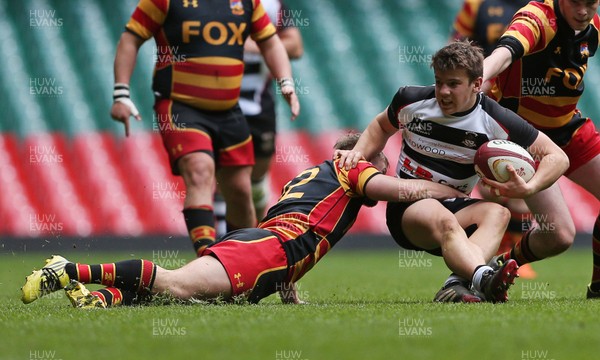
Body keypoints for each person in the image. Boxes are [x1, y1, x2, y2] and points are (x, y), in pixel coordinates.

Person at [20, 133, 516, 308]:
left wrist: (287, 286)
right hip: (269, 250)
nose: (374, 170)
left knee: (195, 301)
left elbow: (291, 222)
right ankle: (69, 270)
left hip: (269, 252)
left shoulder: (308, 175)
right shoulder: (350, 167)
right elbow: (400, 190)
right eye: (373, 163)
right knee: (178, 287)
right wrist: (450, 188)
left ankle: (103, 297)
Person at [337, 41, 569, 303]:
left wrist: (530, 187)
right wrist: (359, 151)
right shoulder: (411, 101)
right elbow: (381, 126)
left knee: (498, 213)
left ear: (476, 83)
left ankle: (457, 283)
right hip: (408, 208)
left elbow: (557, 157)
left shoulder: (495, 118)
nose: (443, 92)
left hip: (455, 206)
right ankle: (484, 278)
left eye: (453, 84)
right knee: (443, 218)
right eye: (439, 82)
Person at [110, 0, 300, 257]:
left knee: (240, 190)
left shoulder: (248, 3)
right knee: (200, 170)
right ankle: (208, 259)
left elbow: (271, 41)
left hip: (229, 109)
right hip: (180, 105)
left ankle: (242, 262)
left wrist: (286, 82)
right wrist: (121, 93)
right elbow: (131, 38)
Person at [482, 0, 600, 298]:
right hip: (526, 137)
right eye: (576, 2)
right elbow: (505, 53)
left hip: (568, 128)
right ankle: (496, 267)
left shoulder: (592, 27)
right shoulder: (538, 17)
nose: (584, 11)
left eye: (592, 4)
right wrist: (478, 78)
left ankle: (598, 288)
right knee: (558, 236)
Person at [451, 0, 538, 279]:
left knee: (522, 177)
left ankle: (512, 250)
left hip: (527, 103)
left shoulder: (542, 7)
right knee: (490, 179)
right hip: (487, 102)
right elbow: (457, 46)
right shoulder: (476, 5)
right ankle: (495, 248)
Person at [214, 0, 304, 237]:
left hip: (257, 105)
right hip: (214, 102)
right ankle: (217, 248)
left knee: (254, 180)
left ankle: (249, 241)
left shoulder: (271, 4)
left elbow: (295, 47)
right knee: (221, 180)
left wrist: (258, 44)